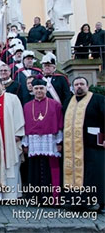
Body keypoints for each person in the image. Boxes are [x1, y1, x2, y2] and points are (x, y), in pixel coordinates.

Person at [62, 77, 104, 212]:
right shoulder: (68, 101)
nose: (79, 86)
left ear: (88, 86)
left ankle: (96, 202)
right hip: (72, 146)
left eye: (82, 84)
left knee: (93, 174)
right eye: (76, 84)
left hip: (93, 144)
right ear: (73, 87)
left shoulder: (98, 99)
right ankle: (74, 201)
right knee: (72, 172)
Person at [22, 77, 63, 201]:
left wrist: (59, 141)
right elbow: (25, 125)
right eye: (36, 88)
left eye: (41, 88)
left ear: (46, 89)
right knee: (34, 168)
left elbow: (60, 123)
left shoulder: (55, 104)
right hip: (34, 141)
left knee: (50, 168)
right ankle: (35, 197)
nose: (39, 91)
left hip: (50, 140)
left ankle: (51, 197)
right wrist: (25, 143)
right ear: (32, 90)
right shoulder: (27, 106)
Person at [0, 77, 25, 200]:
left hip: (9, 138)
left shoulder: (12, 98)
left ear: (2, 86)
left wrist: (18, 134)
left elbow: (18, 116)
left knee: (11, 164)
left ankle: (11, 195)